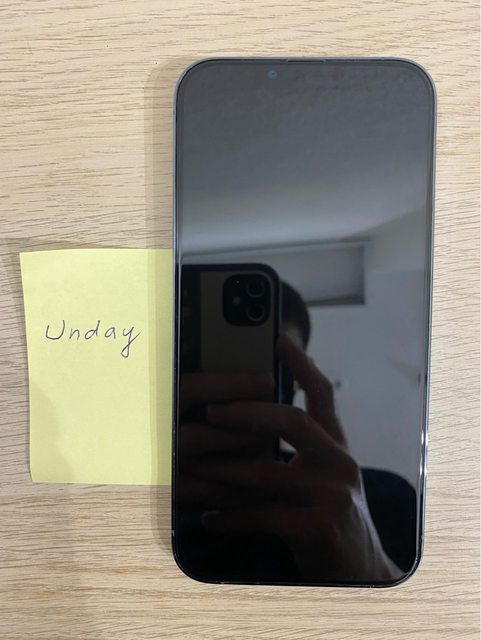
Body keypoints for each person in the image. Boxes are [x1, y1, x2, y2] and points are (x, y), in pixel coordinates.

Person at [177, 282, 416, 584]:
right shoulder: (134, 486)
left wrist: (376, 572)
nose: (234, 385)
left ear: (300, 376)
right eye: (215, 362)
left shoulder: (389, 503)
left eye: (267, 365)